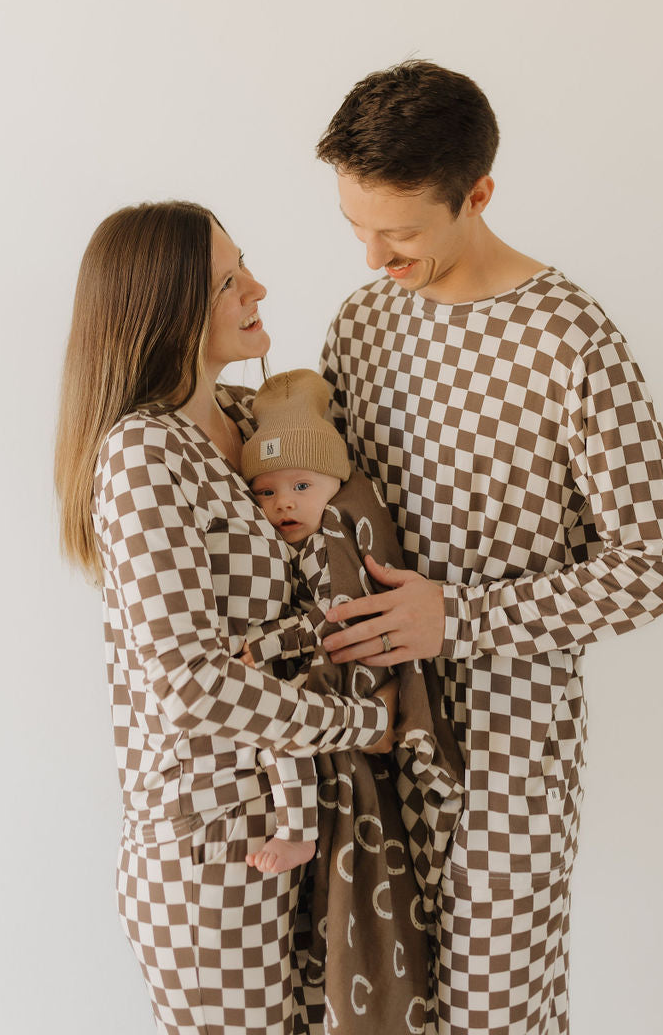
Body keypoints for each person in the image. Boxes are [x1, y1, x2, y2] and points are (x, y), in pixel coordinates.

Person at [313, 61, 663, 1035]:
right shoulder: (361, 325)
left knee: (497, 1009)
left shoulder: (569, 339)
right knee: (379, 1008)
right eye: (354, 226)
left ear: (477, 194)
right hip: (370, 724)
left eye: (399, 232)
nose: (371, 256)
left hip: (514, 734)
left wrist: (460, 617)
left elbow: (661, 563)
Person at [54, 202, 397, 1035]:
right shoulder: (142, 453)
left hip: (292, 816)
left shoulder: (247, 424)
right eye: (229, 282)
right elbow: (190, 685)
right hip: (208, 844)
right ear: (166, 308)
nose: (259, 289)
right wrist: (358, 722)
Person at [239, 367, 464, 1035]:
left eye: (301, 486)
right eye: (268, 491)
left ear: (334, 485)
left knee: (283, 725)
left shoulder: (339, 537)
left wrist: (271, 639)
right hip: (328, 686)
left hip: (344, 684)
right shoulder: (310, 537)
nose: (285, 503)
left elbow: (333, 617)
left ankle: (300, 830)